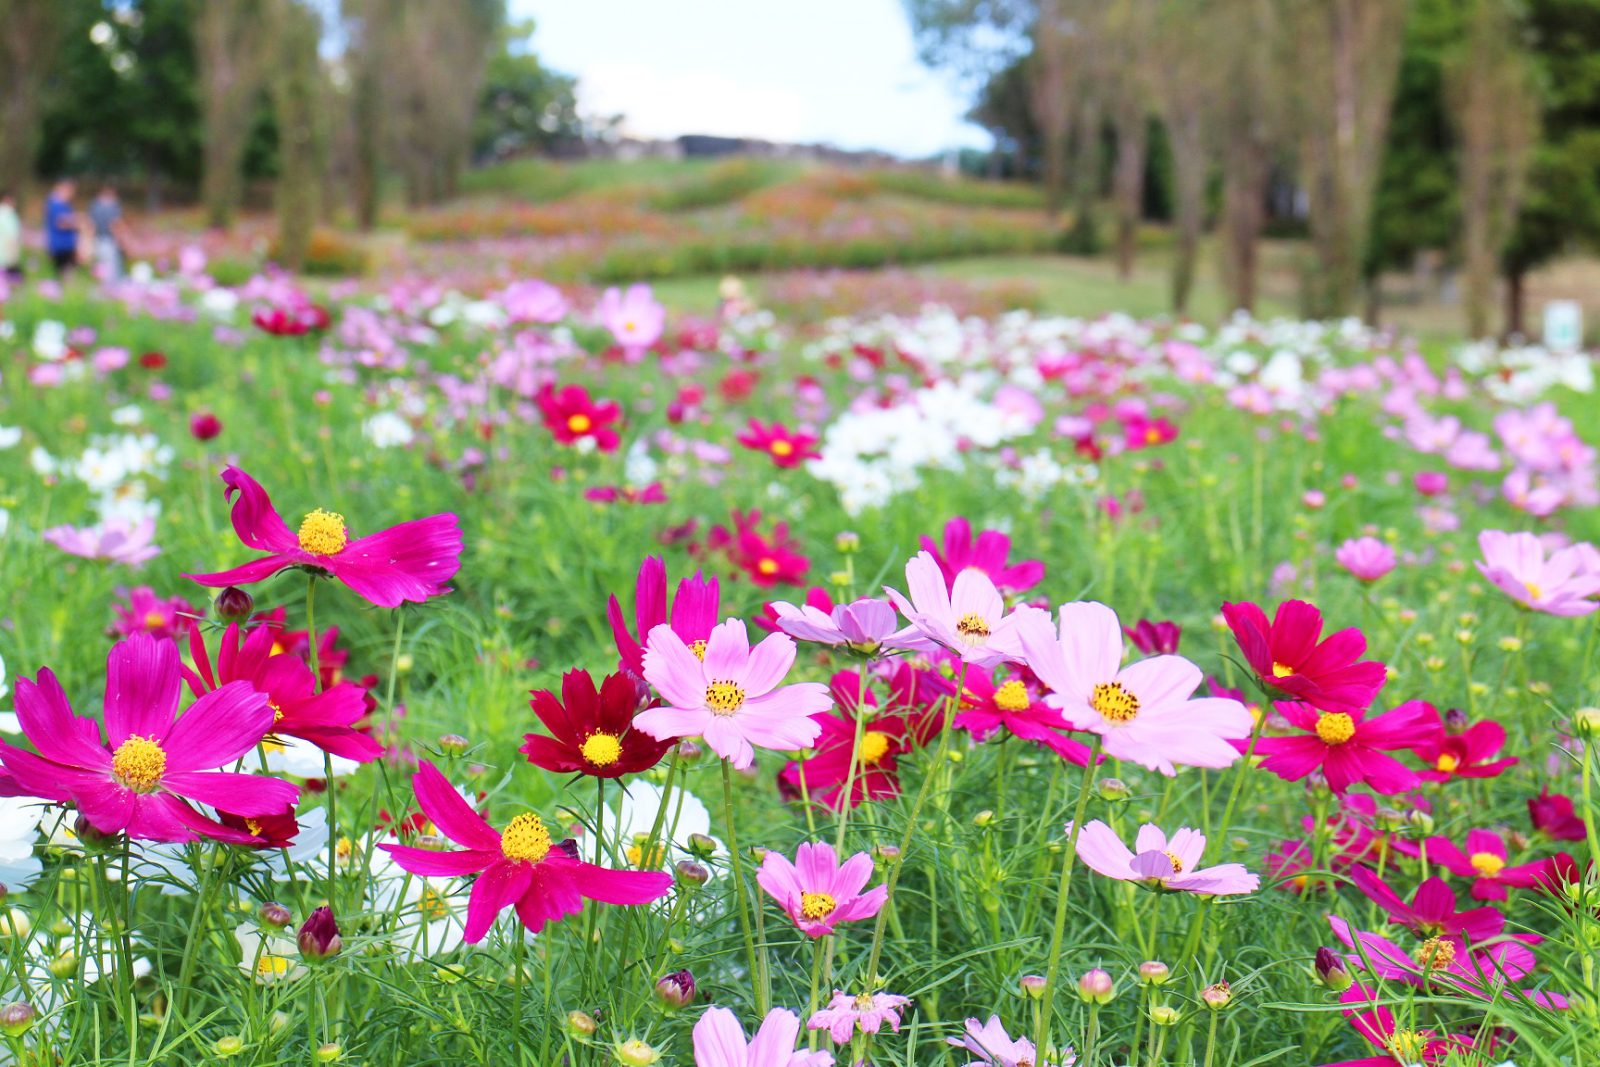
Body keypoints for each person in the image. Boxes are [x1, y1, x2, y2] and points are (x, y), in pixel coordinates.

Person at [89, 185, 129, 282]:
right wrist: (121, 241)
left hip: (97, 239)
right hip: (109, 240)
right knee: (112, 267)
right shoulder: (113, 207)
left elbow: (91, 225)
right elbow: (115, 225)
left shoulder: (94, 206)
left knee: (102, 266)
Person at [44, 180, 79, 277]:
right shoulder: (55, 204)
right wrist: (77, 223)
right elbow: (60, 224)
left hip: (66, 244)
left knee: (67, 273)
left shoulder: (65, 204)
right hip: (61, 245)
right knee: (65, 274)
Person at [0, 190, 21, 282]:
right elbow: (11, 236)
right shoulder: (8, 215)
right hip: (6, 252)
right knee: (10, 281)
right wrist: (13, 254)